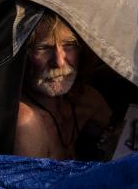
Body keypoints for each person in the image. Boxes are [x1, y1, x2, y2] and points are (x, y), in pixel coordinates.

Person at [14, 12, 113, 160]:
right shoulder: (27, 122)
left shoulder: (86, 99)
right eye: (43, 48)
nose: (59, 62)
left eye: (69, 45)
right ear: (23, 55)